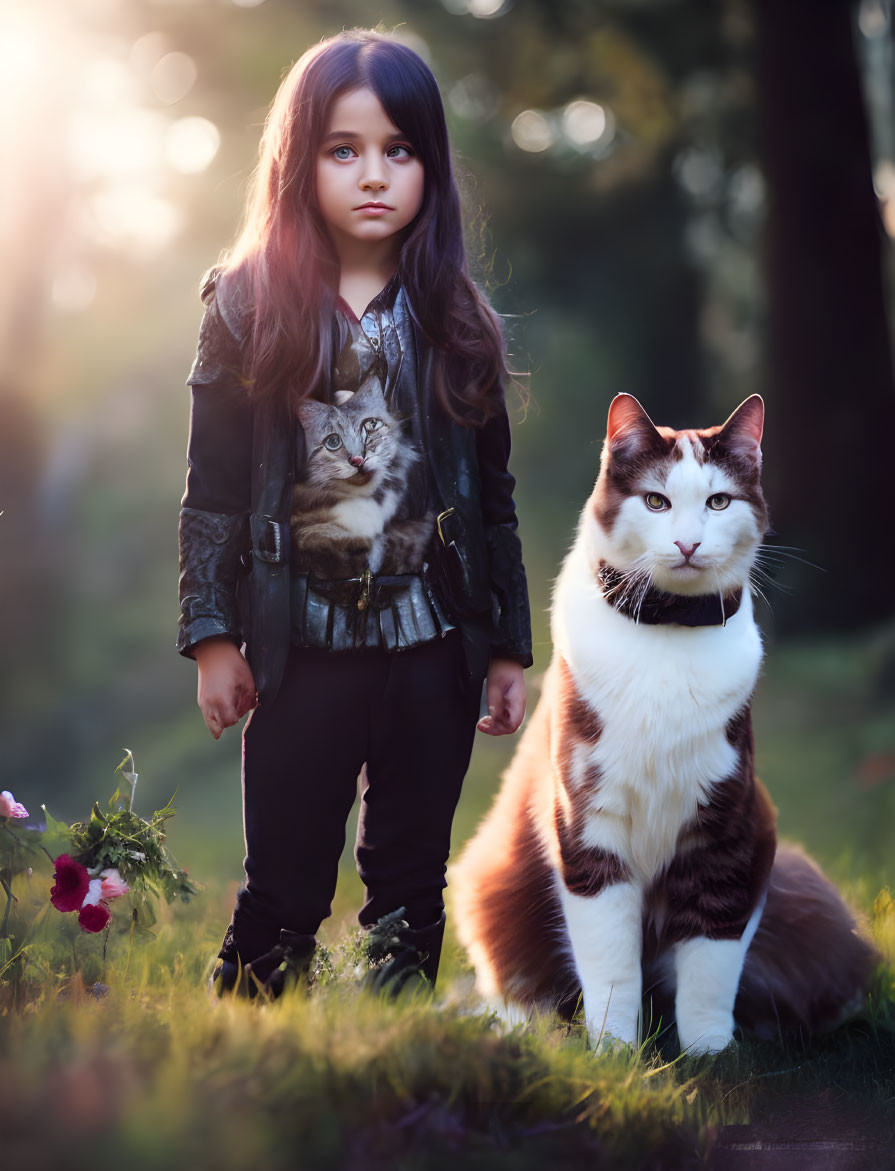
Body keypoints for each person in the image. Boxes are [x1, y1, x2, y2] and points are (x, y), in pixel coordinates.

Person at [177, 29, 532, 997]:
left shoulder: (456, 314)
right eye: (343, 150)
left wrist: (505, 645)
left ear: (430, 165)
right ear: (299, 163)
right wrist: (214, 636)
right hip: (302, 645)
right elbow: (210, 491)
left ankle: (393, 1068)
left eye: (398, 150)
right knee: (284, 885)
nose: (372, 174)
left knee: (411, 884)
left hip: (435, 643)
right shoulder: (246, 308)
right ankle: (248, 1065)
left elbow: (489, 499)